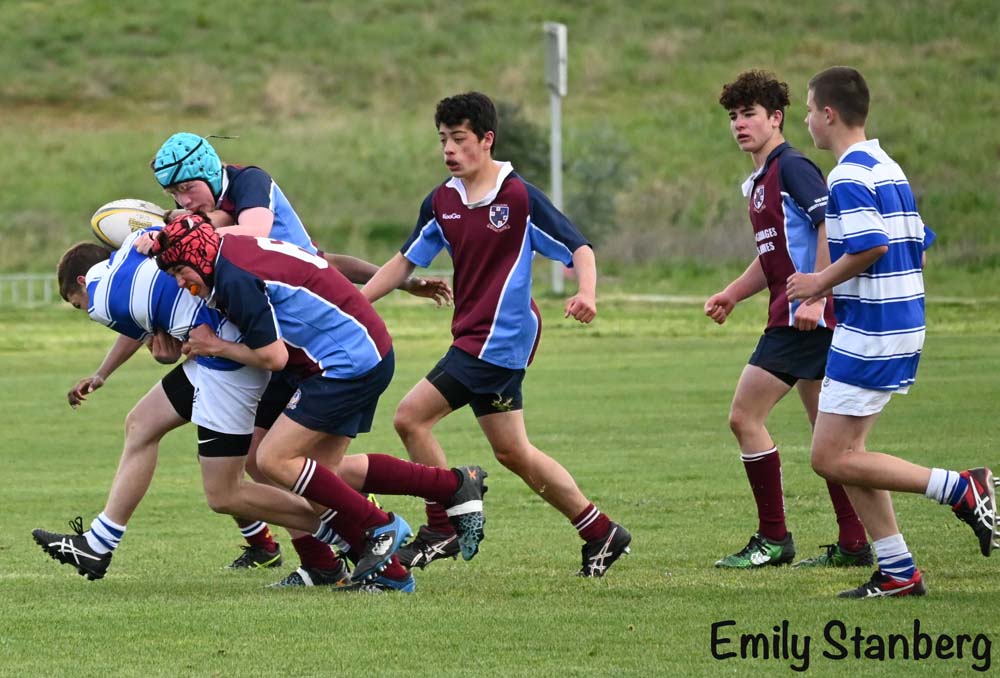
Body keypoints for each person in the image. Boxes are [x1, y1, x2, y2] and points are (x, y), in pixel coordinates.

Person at [148, 132, 455, 581]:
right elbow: (323, 262)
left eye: (188, 188)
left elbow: (266, 242)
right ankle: (364, 560)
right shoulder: (223, 251)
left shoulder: (248, 192)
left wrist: (184, 234)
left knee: (276, 460)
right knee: (303, 469)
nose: (184, 201)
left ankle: (385, 524)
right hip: (310, 349)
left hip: (326, 352)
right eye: (174, 194)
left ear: (210, 171)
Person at [361, 92, 630, 577]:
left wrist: (587, 293)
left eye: (459, 139)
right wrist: (356, 304)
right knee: (512, 452)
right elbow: (403, 262)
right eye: (443, 140)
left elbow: (579, 247)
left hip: (497, 340)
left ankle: (441, 525)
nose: (449, 149)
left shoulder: (518, 197)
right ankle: (600, 530)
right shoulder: (442, 201)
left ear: (486, 140)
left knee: (410, 419)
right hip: (477, 336)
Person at [34, 229, 354, 586]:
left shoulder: (103, 301)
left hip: (229, 366)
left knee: (226, 493)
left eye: (77, 303)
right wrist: (103, 372)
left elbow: (142, 324)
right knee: (141, 424)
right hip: (210, 357)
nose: (85, 310)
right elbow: (151, 327)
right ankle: (98, 545)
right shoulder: (138, 247)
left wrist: (167, 340)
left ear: (84, 281)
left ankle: (352, 534)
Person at [787, 66, 996, 597]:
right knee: (851, 454)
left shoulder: (847, 176)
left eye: (808, 111)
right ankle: (898, 570)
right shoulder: (888, 167)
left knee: (828, 457)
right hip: (899, 322)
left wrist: (817, 284)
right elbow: (917, 244)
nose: (806, 121)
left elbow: (871, 244)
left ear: (828, 114)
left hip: (871, 330)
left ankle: (960, 488)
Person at [705, 70, 871, 570]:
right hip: (801, 316)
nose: (739, 124)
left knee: (744, 417)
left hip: (802, 318)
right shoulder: (761, 180)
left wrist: (817, 294)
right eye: (733, 116)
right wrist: (733, 294)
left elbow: (827, 225)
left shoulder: (792, 167)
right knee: (828, 436)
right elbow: (772, 256)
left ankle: (773, 538)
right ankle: (854, 542)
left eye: (749, 114)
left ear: (776, 118)